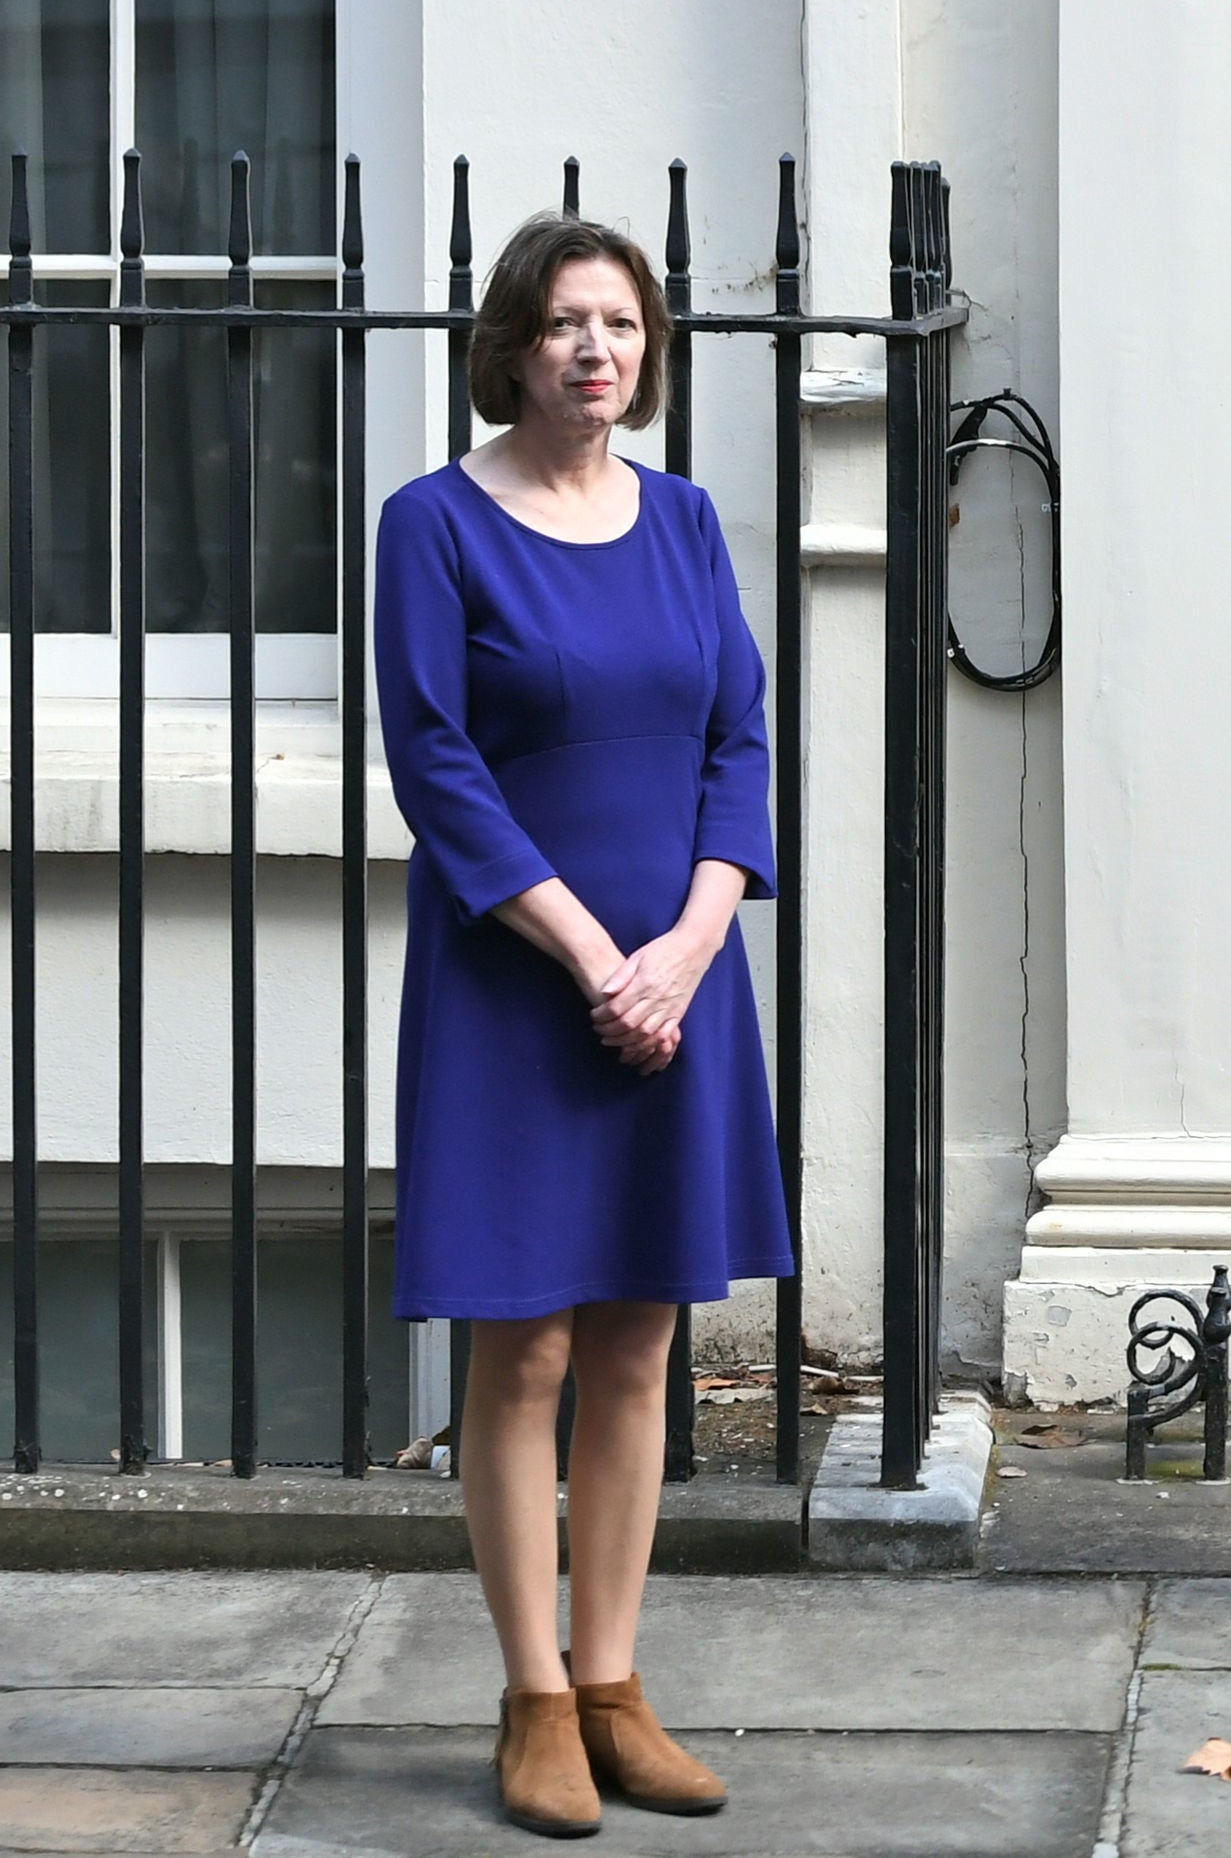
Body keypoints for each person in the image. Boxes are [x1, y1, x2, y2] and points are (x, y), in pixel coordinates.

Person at [379, 213, 792, 1834]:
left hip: (675, 985)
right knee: (526, 1339)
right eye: (565, 321)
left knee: (637, 1338)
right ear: (512, 342)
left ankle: (616, 1683)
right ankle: (534, 1697)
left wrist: (684, 946)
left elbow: (739, 739)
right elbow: (436, 761)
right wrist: (587, 953)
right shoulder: (434, 524)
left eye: (621, 322)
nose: (595, 348)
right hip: (514, 986)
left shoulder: (686, 523)